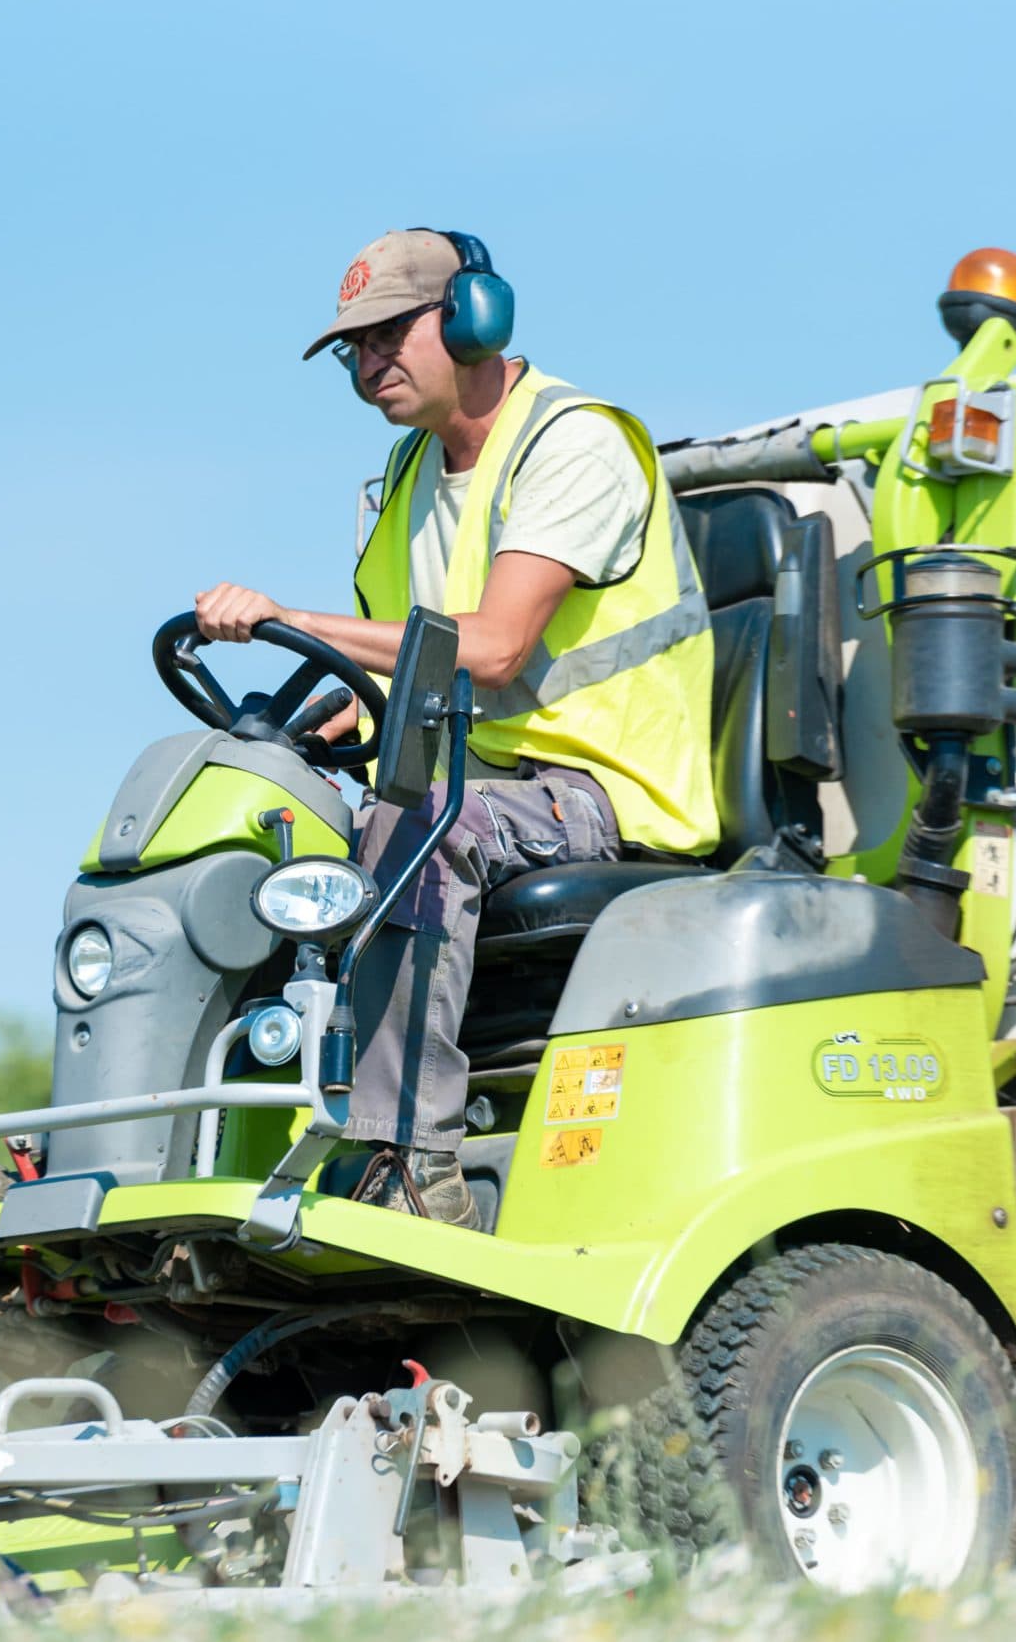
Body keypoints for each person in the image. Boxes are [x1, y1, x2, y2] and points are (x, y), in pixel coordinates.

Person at [193, 229, 717, 1229]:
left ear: (477, 317)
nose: (366, 364)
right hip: (486, 783)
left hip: (604, 793)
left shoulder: (572, 440)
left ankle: (406, 1162)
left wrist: (288, 621)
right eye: (351, 347)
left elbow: (493, 648)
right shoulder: (403, 478)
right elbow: (401, 671)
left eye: (389, 333)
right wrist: (316, 721)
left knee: (423, 822)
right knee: (272, 837)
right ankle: (191, 1150)